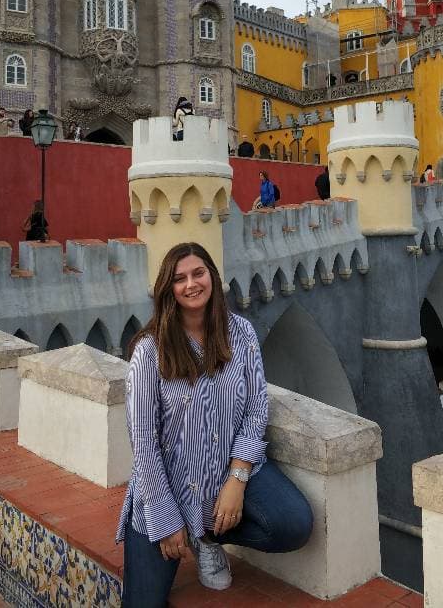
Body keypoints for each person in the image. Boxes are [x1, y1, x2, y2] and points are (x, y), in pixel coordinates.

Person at [116, 242, 313, 607]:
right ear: (167, 288)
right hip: (166, 486)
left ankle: (209, 537)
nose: (191, 284)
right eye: (180, 278)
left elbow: (256, 408)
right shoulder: (149, 351)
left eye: (198, 273)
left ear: (212, 276)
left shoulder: (241, 333)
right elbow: (143, 440)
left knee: (294, 524)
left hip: (228, 473)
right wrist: (166, 518)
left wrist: (237, 479)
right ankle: (189, 528)